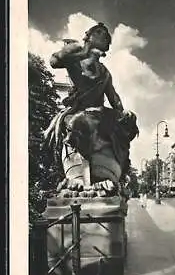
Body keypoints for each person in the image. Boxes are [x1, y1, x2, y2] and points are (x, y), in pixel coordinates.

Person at [44, 22, 139, 192]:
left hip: (100, 112)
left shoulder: (104, 72)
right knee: (81, 122)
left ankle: (118, 171)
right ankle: (78, 173)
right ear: (88, 35)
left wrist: (124, 112)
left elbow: (113, 97)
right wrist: (83, 51)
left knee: (130, 121)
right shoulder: (76, 59)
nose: (103, 35)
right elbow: (54, 61)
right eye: (99, 32)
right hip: (79, 110)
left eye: (105, 35)